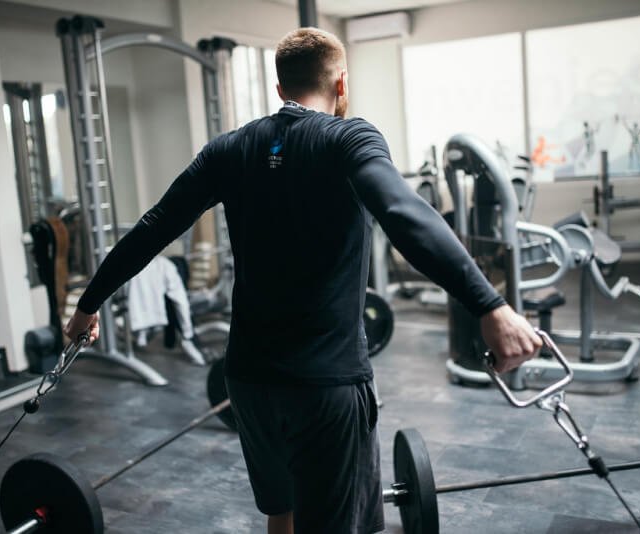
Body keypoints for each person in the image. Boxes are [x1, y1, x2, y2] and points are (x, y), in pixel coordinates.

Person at [65, 27, 541, 534]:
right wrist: (490, 305)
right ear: (341, 85)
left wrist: (88, 304)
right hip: (326, 387)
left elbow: (152, 228)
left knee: (283, 513)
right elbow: (402, 212)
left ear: (279, 90)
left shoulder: (228, 149)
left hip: (249, 380)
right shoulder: (349, 138)